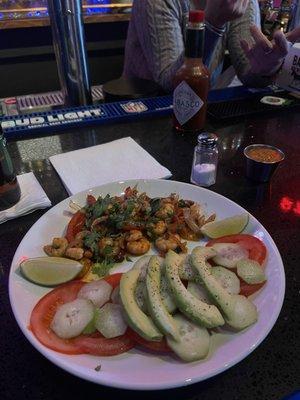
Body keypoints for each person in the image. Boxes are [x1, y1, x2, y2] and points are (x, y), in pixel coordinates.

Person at [123, 0, 300, 91]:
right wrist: (212, 23)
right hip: (143, 109)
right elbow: (171, 85)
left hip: (202, 106)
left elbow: (249, 73)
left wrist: (265, 69)